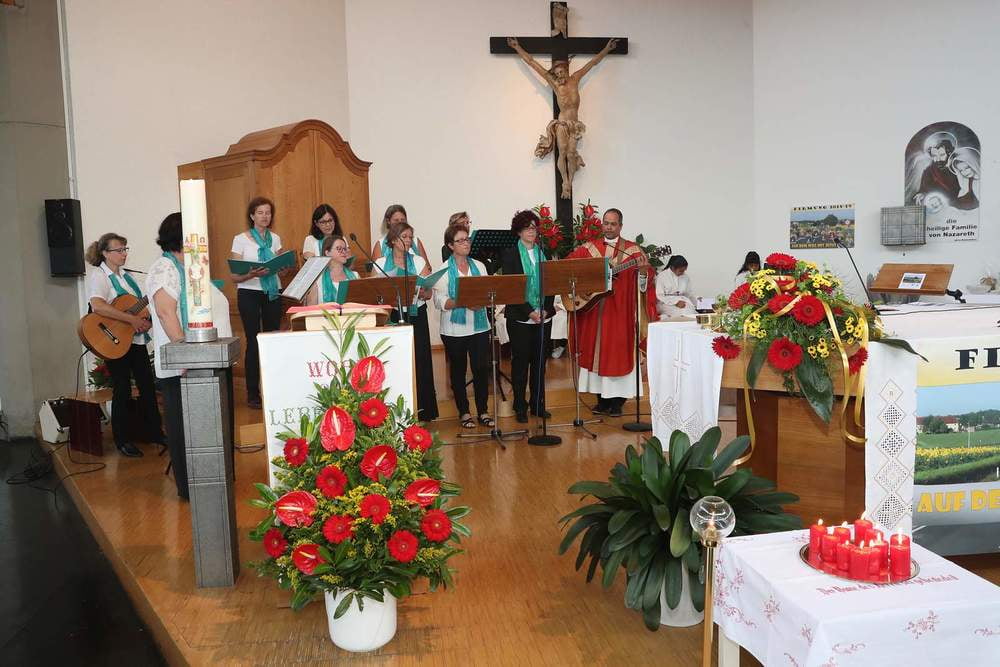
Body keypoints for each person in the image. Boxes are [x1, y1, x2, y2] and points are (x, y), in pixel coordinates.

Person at [567, 208, 657, 417]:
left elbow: (646, 284)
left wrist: (643, 272)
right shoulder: (588, 249)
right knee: (594, 353)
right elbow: (568, 268)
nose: (609, 227)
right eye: (606, 223)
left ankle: (617, 403)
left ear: (620, 226)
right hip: (593, 313)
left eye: (613, 224)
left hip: (620, 314)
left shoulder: (633, 252)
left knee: (618, 354)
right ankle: (601, 401)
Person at [84, 233, 165, 458]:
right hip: (113, 340)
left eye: (125, 249)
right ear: (105, 253)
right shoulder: (100, 276)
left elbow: (140, 309)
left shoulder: (128, 277)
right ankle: (122, 439)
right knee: (122, 389)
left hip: (134, 340)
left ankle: (155, 432)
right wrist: (131, 319)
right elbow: (98, 306)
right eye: (118, 250)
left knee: (147, 386)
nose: (123, 254)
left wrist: (146, 322)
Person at [373, 222, 439, 421]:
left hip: (416, 313)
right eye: (405, 237)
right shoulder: (381, 262)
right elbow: (373, 291)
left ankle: (424, 410)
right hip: (392, 314)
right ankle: (394, 412)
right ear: (393, 240)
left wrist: (425, 290)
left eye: (411, 237)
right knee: (393, 359)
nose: (409, 240)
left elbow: (428, 292)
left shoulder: (418, 261)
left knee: (421, 359)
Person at [145, 213, 190, 499]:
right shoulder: (164, 268)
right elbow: (165, 312)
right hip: (178, 363)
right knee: (181, 428)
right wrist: (185, 353)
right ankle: (187, 486)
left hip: (191, 360)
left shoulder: (182, 266)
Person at [432, 224, 493, 429]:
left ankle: (483, 411)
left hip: (479, 326)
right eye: (460, 240)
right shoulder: (443, 270)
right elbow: (439, 301)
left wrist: (483, 300)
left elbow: (487, 292)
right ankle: (464, 412)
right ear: (450, 245)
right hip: (454, 330)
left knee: (481, 369)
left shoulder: (480, 266)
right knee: (458, 371)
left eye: (467, 239)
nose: (466, 243)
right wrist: (463, 302)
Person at [501, 210, 556, 423]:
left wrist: (546, 309)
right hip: (520, 317)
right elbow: (511, 287)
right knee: (520, 364)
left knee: (540, 364)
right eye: (527, 228)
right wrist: (530, 312)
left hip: (543, 317)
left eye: (534, 227)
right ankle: (520, 406)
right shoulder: (510, 254)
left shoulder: (544, 252)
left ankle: (537, 404)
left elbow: (551, 283)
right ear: (519, 231)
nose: (531, 231)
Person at [230, 196, 284, 409]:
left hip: (272, 291)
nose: (265, 216)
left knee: (272, 340)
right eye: (260, 212)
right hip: (249, 292)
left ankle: (273, 389)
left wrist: (283, 266)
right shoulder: (240, 239)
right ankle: (253, 393)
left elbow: (282, 268)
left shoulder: (275, 239)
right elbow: (234, 276)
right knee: (253, 341)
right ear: (252, 216)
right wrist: (251, 273)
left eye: (268, 213)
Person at [306, 235, 357, 305]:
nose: (344, 252)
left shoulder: (355, 276)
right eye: (339, 248)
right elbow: (311, 309)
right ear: (327, 253)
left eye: (345, 249)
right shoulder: (317, 280)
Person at [915, 138, 960, 205]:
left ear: (949, 153)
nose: (938, 159)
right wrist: (922, 193)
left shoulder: (959, 166)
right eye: (934, 156)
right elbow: (924, 188)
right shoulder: (929, 171)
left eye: (942, 155)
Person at [656, 255, 696, 320]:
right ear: (672, 267)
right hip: (665, 303)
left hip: (682, 302)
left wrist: (698, 303)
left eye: (684, 270)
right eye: (681, 271)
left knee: (691, 313)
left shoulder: (685, 277)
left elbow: (689, 294)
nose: (683, 273)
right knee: (683, 314)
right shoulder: (662, 276)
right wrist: (675, 302)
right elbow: (659, 296)